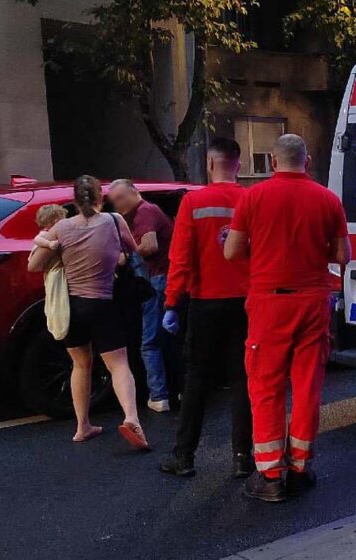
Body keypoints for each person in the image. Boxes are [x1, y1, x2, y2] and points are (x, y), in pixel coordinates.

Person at [224, 134, 351, 502]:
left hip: (269, 302)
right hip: (313, 301)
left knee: (266, 385)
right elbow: (343, 255)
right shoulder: (328, 200)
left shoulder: (253, 197)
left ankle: (270, 475)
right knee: (308, 385)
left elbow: (232, 252)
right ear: (306, 161)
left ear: (273, 162)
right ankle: (299, 467)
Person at [28, 175, 150, 450]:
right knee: (119, 364)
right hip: (103, 304)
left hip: (72, 308)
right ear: (100, 199)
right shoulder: (114, 221)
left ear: (74, 201)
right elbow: (133, 250)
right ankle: (132, 418)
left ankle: (82, 426)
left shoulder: (61, 227)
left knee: (81, 365)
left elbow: (34, 265)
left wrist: (52, 246)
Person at [158, 137, 254, 479]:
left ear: (210, 164)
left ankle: (184, 456)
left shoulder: (193, 202)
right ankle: (243, 457)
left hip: (205, 303)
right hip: (246, 303)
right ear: (238, 165)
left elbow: (180, 258)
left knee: (197, 379)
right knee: (243, 379)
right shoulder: (251, 199)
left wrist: (171, 303)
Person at [108, 179, 174, 413]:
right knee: (166, 338)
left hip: (156, 281)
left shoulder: (145, 212)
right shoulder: (144, 213)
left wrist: (126, 256)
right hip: (162, 280)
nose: (117, 205)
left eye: (120, 198)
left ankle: (158, 395)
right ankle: (174, 390)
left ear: (134, 193)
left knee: (150, 341)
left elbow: (150, 245)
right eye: (113, 201)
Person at [32, 205, 69, 341]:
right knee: (56, 300)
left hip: (59, 271)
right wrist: (49, 244)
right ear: (54, 221)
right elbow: (37, 240)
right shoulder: (46, 235)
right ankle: (59, 327)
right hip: (55, 273)